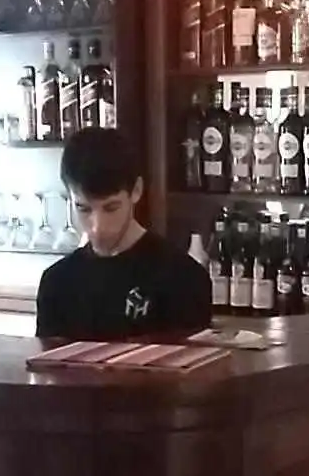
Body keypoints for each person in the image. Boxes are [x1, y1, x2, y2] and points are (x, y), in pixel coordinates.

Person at [36, 128, 212, 341]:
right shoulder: (56, 283)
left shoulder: (183, 279)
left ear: (136, 190)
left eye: (111, 208)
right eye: (84, 209)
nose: (97, 227)